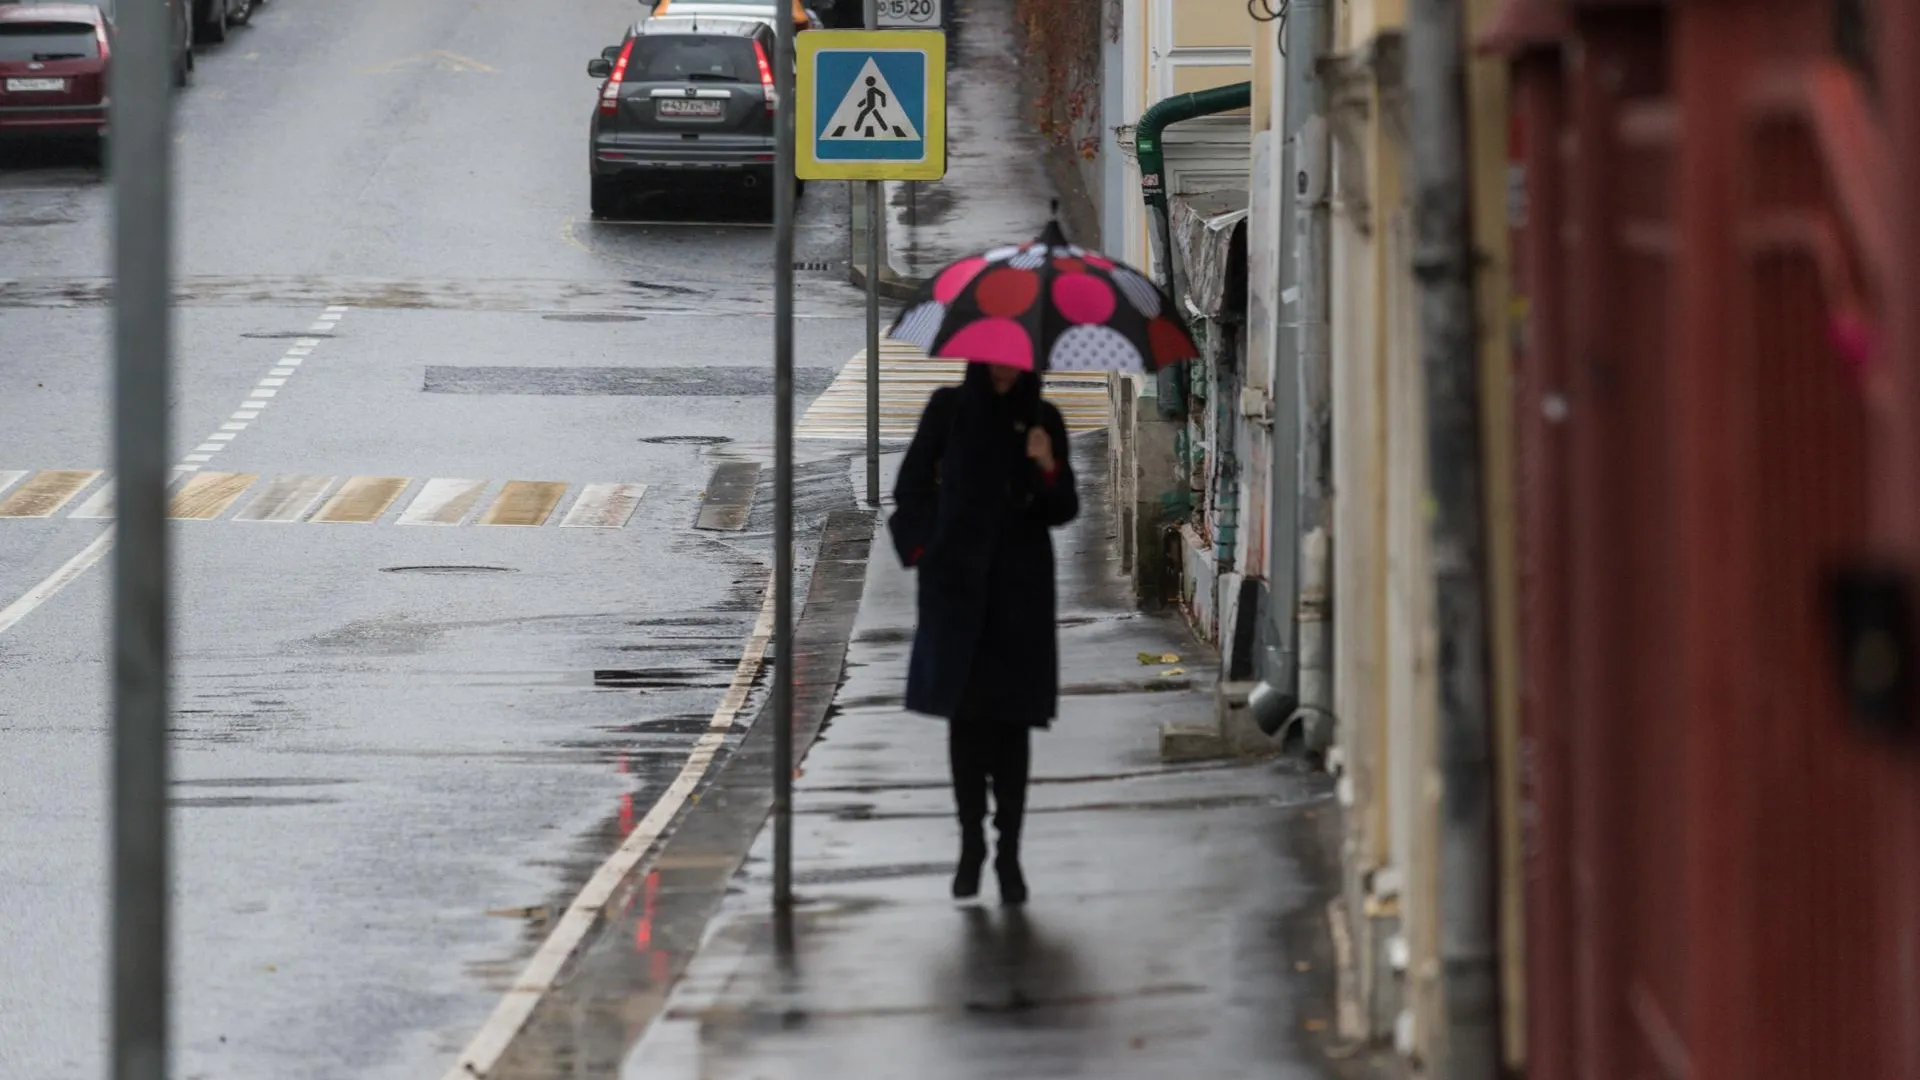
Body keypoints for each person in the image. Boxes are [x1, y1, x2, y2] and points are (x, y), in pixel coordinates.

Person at [889, 361, 1079, 905]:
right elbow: (911, 488)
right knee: (967, 723)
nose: (1004, 368)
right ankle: (971, 842)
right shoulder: (949, 411)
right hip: (957, 592)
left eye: (1015, 359)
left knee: (1012, 725)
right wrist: (929, 549)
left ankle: (1010, 853)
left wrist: (1046, 464)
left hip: (1019, 595)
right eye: (996, 356)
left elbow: (1063, 508)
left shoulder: (1043, 419)